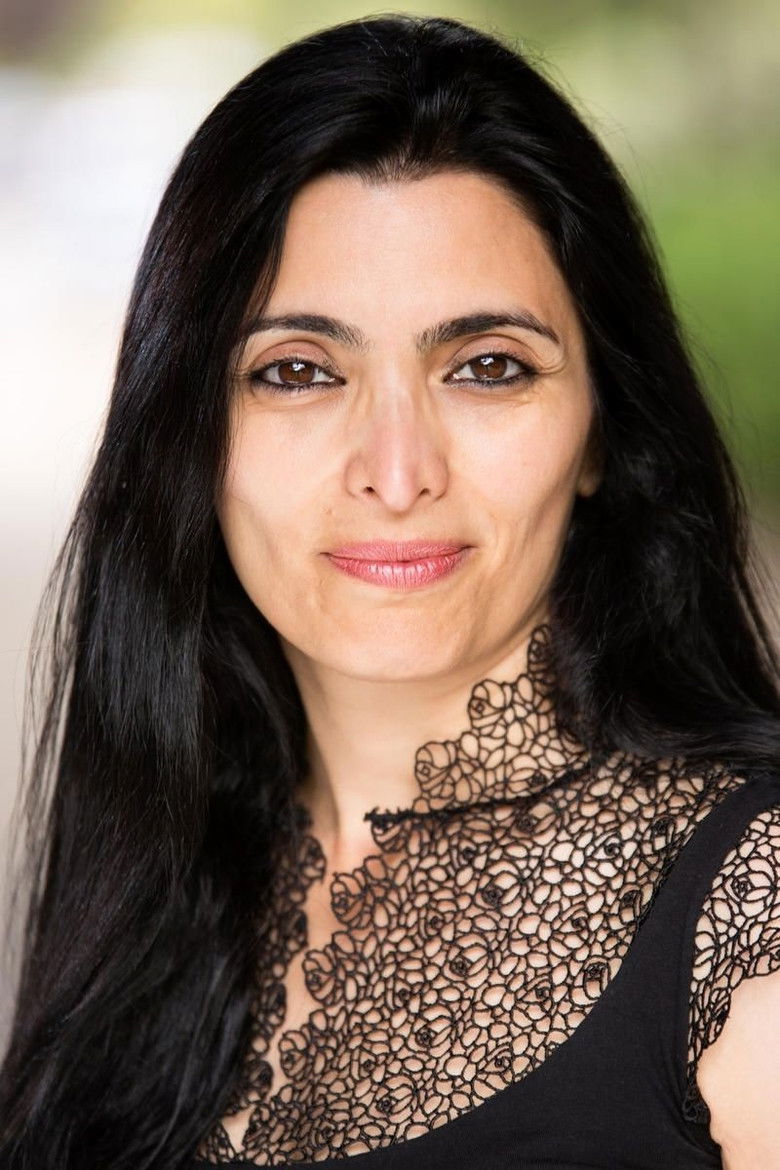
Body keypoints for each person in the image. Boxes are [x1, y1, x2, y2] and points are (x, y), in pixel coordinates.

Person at [1, 11, 779, 1170]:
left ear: (603, 431)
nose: (399, 472)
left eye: (488, 367)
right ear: (188, 436)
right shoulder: (156, 880)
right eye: (298, 372)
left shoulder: (753, 919)